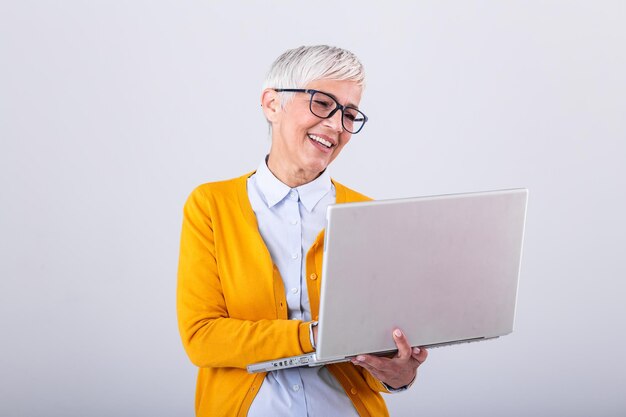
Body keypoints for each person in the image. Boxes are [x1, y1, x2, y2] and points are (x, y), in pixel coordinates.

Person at [177, 45, 428, 417]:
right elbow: (202, 337)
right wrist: (314, 336)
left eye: (349, 113)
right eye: (322, 104)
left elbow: (376, 353)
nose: (336, 125)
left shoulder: (369, 215)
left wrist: (398, 374)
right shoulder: (211, 205)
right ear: (271, 105)